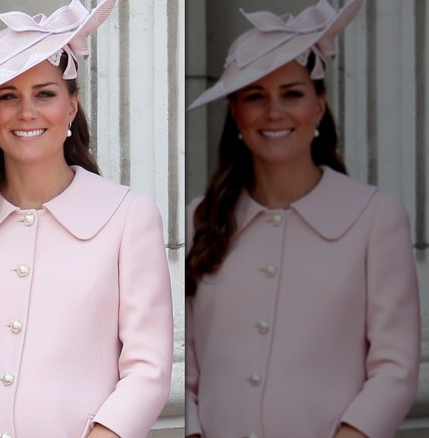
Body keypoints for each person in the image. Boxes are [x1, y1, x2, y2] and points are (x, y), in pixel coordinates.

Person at [0, 0, 173, 437]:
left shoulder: (128, 218)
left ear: (71, 106)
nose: (27, 112)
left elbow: (148, 367)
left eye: (44, 93)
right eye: (8, 96)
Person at [184, 1, 420, 437]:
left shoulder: (375, 218)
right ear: (236, 112)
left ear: (318, 106)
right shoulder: (199, 219)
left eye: (292, 93)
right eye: (256, 96)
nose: (275, 112)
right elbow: (187, 366)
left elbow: (395, 367)